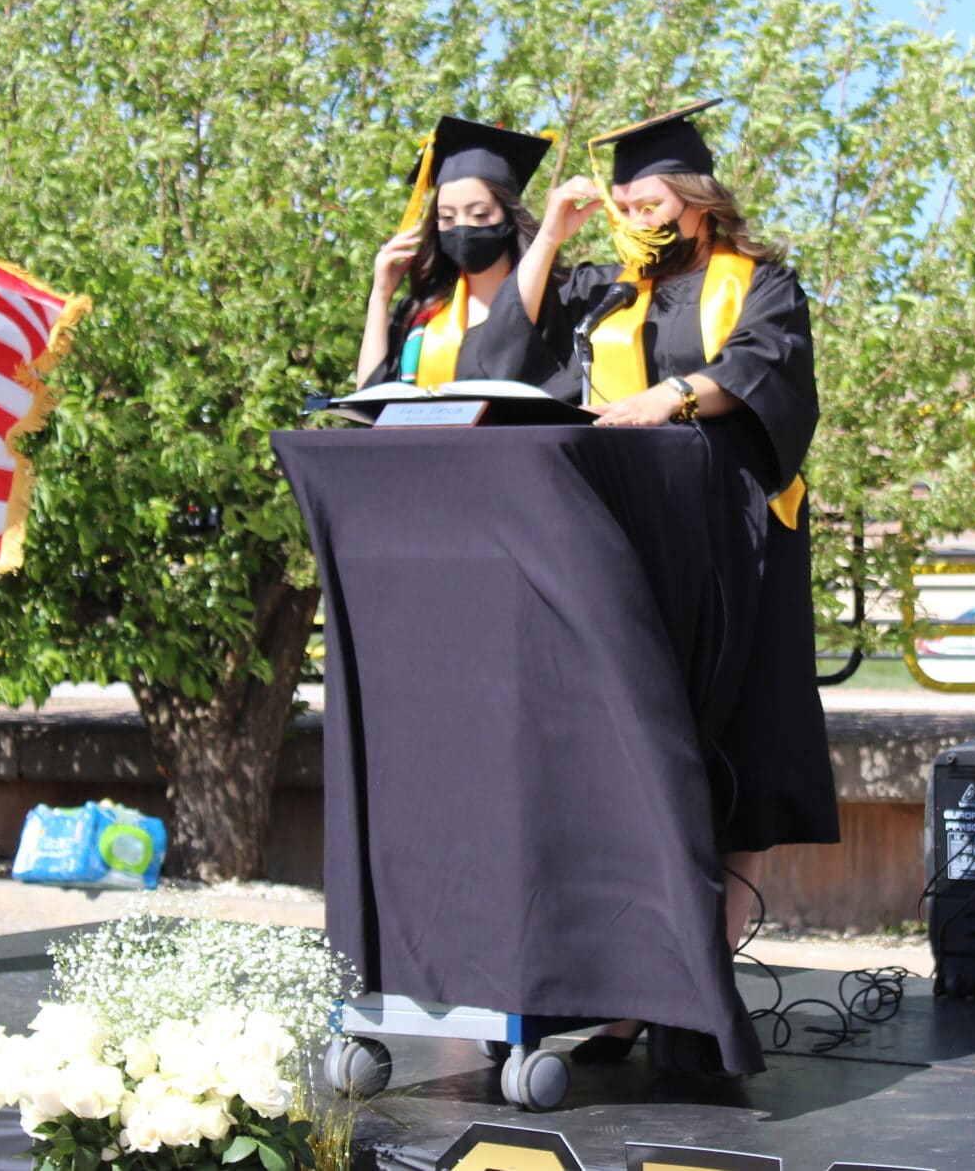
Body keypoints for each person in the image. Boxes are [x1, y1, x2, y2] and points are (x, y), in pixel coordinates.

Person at [534, 99, 841, 1062]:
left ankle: (702, 982)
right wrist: (552, 229)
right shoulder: (608, 291)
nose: (636, 216)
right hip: (628, 552)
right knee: (636, 766)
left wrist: (668, 396)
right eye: (624, 203)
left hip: (734, 549)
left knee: (730, 758)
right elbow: (519, 337)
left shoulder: (761, 280)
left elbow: (764, 368)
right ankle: (630, 992)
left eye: (651, 199)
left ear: (700, 203)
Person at [355, 116, 567, 390]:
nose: (462, 228)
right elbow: (370, 398)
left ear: (509, 217)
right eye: (447, 217)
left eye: (479, 214)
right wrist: (380, 296)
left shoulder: (555, 301)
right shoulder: (424, 312)